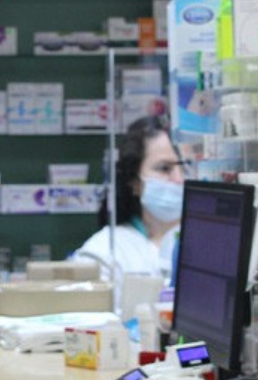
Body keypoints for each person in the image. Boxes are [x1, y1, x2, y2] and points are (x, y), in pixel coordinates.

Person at [71, 114, 186, 281]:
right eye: (164, 168)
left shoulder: (206, 242)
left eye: (184, 168)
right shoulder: (104, 253)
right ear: (134, 183)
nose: (179, 179)